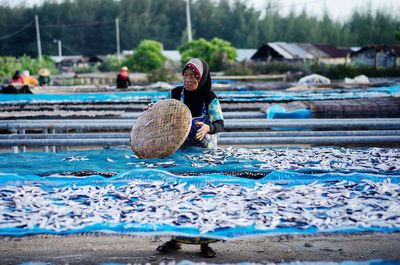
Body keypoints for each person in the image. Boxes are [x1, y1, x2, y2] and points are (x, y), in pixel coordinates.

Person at [155, 58, 224, 258]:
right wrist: (152, 110)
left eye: (192, 77)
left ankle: (205, 243)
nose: (187, 80)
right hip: (179, 152)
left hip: (204, 155)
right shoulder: (175, 94)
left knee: (203, 196)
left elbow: (220, 123)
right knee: (178, 195)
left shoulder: (209, 97)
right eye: (185, 76)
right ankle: (175, 239)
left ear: (201, 78)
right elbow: (162, 112)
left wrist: (208, 127)